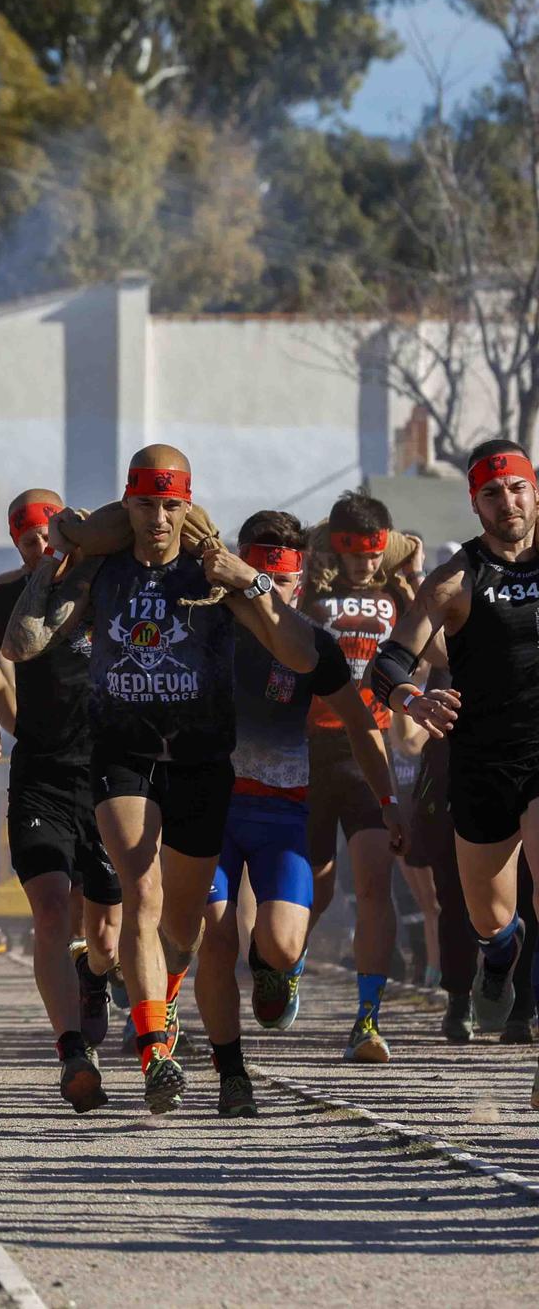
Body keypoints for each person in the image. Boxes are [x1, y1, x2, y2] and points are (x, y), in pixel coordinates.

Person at [3, 445, 318, 1114]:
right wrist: (63, 553)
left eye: (171, 505)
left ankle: (167, 1006)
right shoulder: (102, 570)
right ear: (127, 502)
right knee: (139, 893)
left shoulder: (212, 575)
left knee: (185, 925)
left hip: (202, 762)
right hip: (124, 754)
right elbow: (25, 640)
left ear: (187, 506)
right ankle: (155, 1053)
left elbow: (300, 652)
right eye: (144, 504)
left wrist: (253, 583)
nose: (157, 518)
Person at [193, 511, 405, 1116]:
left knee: (284, 946)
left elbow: (365, 728)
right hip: (208, 807)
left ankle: (271, 966)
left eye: (283, 582)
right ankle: (231, 1073)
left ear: (301, 584)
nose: (270, 592)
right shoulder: (202, 626)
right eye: (258, 576)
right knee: (214, 931)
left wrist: (389, 801)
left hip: (282, 808)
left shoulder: (314, 643)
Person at [370, 439, 539, 1103]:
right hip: (482, 762)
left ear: (535, 490)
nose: (509, 502)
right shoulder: (455, 580)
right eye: (493, 494)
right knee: (491, 916)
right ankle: (499, 954)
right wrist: (413, 696)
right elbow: (389, 662)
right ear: (476, 503)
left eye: (519, 488)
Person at [0, 489, 124, 1114]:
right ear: (18, 543)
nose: (45, 550)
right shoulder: (0, 598)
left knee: (108, 933)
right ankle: (71, 1052)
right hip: (41, 773)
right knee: (49, 909)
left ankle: (95, 977)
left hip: (112, 774)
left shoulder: (108, 583)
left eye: (52, 537)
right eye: (31, 541)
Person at [300, 490, 417, 1059]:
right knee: (316, 889)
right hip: (308, 751)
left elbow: (435, 651)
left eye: (375, 554)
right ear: (339, 548)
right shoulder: (311, 591)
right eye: (356, 554)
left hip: (368, 751)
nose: (366, 565)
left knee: (375, 883)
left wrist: (412, 579)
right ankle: (286, 963)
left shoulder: (398, 594)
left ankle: (368, 1019)